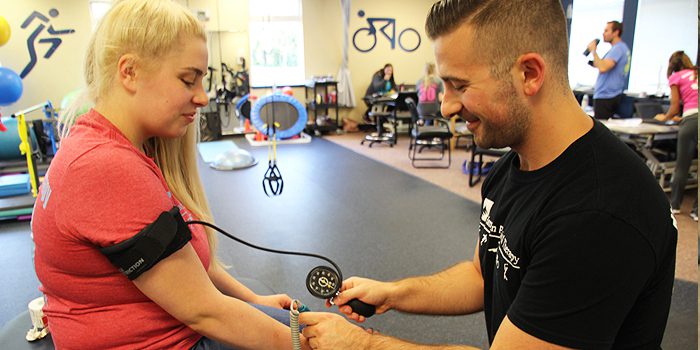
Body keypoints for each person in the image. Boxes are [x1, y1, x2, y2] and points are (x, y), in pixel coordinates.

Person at [299, 0, 677, 349]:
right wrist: (393, 293)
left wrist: (362, 344)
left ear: (529, 73)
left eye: (459, 85)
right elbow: (484, 277)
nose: (446, 106)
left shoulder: (597, 213)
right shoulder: (510, 168)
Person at [31, 1, 309, 349]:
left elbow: (186, 263)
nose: (203, 96)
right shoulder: (105, 167)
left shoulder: (118, 146)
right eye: (187, 79)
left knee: (318, 322)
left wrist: (254, 299)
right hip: (168, 341)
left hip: (176, 328)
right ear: (129, 72)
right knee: (326, 334)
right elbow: (205, 313)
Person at [654, 50, 698, 221]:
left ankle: (675, 206)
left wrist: (663, 118)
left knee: (682, 166)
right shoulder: (696, 73)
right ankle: (696, 211)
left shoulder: (676, 77)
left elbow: (673, 108)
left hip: (690, 121)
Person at [587, 20, 631, 119]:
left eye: (606, 31)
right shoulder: (620, 48)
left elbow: (603, 68)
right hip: (609, 95)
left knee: (600, 131)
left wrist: (593, 51)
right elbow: (604, 65)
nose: (603, 33)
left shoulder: (618, 49)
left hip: (606, 96)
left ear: (616, 32)